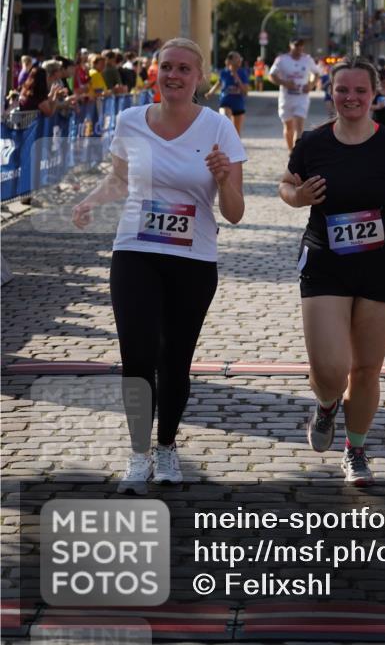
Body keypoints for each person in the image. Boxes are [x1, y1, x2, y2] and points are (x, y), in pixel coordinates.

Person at [71, 38, 246, 493]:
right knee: (137, 356)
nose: (174, 75)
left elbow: (234, 212)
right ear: (156, 72)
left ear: (199, 77)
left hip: (193, 257)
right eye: (166, 66)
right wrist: (90, 201)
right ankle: (137, 454)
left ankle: (166, 446)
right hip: (135, 250)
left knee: (175, 360)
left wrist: (224, 178)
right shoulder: (131, 120)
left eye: (184, 68)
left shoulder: (218, 128)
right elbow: (119, 180)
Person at [278, 57, 385, 485]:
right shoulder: (313, 143)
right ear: (330, 93)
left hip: (382, 263)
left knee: (366, 369)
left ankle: (356, 449)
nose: (351, 98)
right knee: (329, 369)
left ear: (375, 93)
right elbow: (285, 185)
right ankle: (326, 404)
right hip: (326, 261)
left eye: (360, 91)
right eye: (342, 90)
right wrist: (298, 197)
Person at [268, 37, 319, 151]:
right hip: (286, 98)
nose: (299, 48)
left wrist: (311, 85)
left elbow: (316, 74)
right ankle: (291, 151)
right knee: (288, 127)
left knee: (299, 127)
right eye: (296, 45)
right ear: (290, 46)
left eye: (301, 45)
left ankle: (296, 154)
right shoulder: (282, 59)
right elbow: (271, 75)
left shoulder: (307, 59)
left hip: (302, 98)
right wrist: (284, 83)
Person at [208, 51, 249, 136]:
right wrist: (210, 92)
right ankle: (225, 140)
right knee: (224, 124)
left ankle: (233, 143)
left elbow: (245, 92)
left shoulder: (242, 73)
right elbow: (218, 84)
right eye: (237, 58)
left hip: (238, 104)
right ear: (230, 60)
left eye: (240, 58)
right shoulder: (224, 72)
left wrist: (236, 77)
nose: (240, 60)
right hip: (225, 102)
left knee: (236, 133)